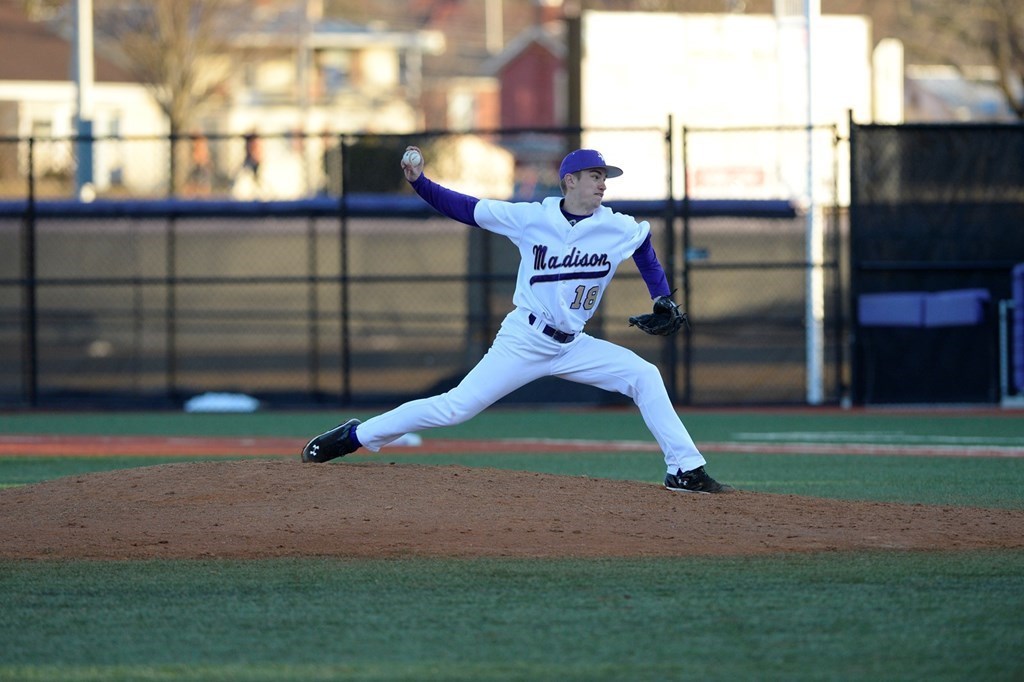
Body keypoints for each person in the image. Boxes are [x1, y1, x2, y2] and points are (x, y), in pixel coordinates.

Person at [301, 147, 734, 494]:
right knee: (455, 408)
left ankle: (685, 470)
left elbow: (644, 246)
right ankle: (356, 437)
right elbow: (465, 208)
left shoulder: (616, 226)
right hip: (524, 339)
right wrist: (420, 183)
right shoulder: (532, 217)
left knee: (644, 376)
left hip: (573, 345)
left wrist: (661, 296)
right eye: (596, 175)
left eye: (605, 177)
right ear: (571, 181)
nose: (604, 183)